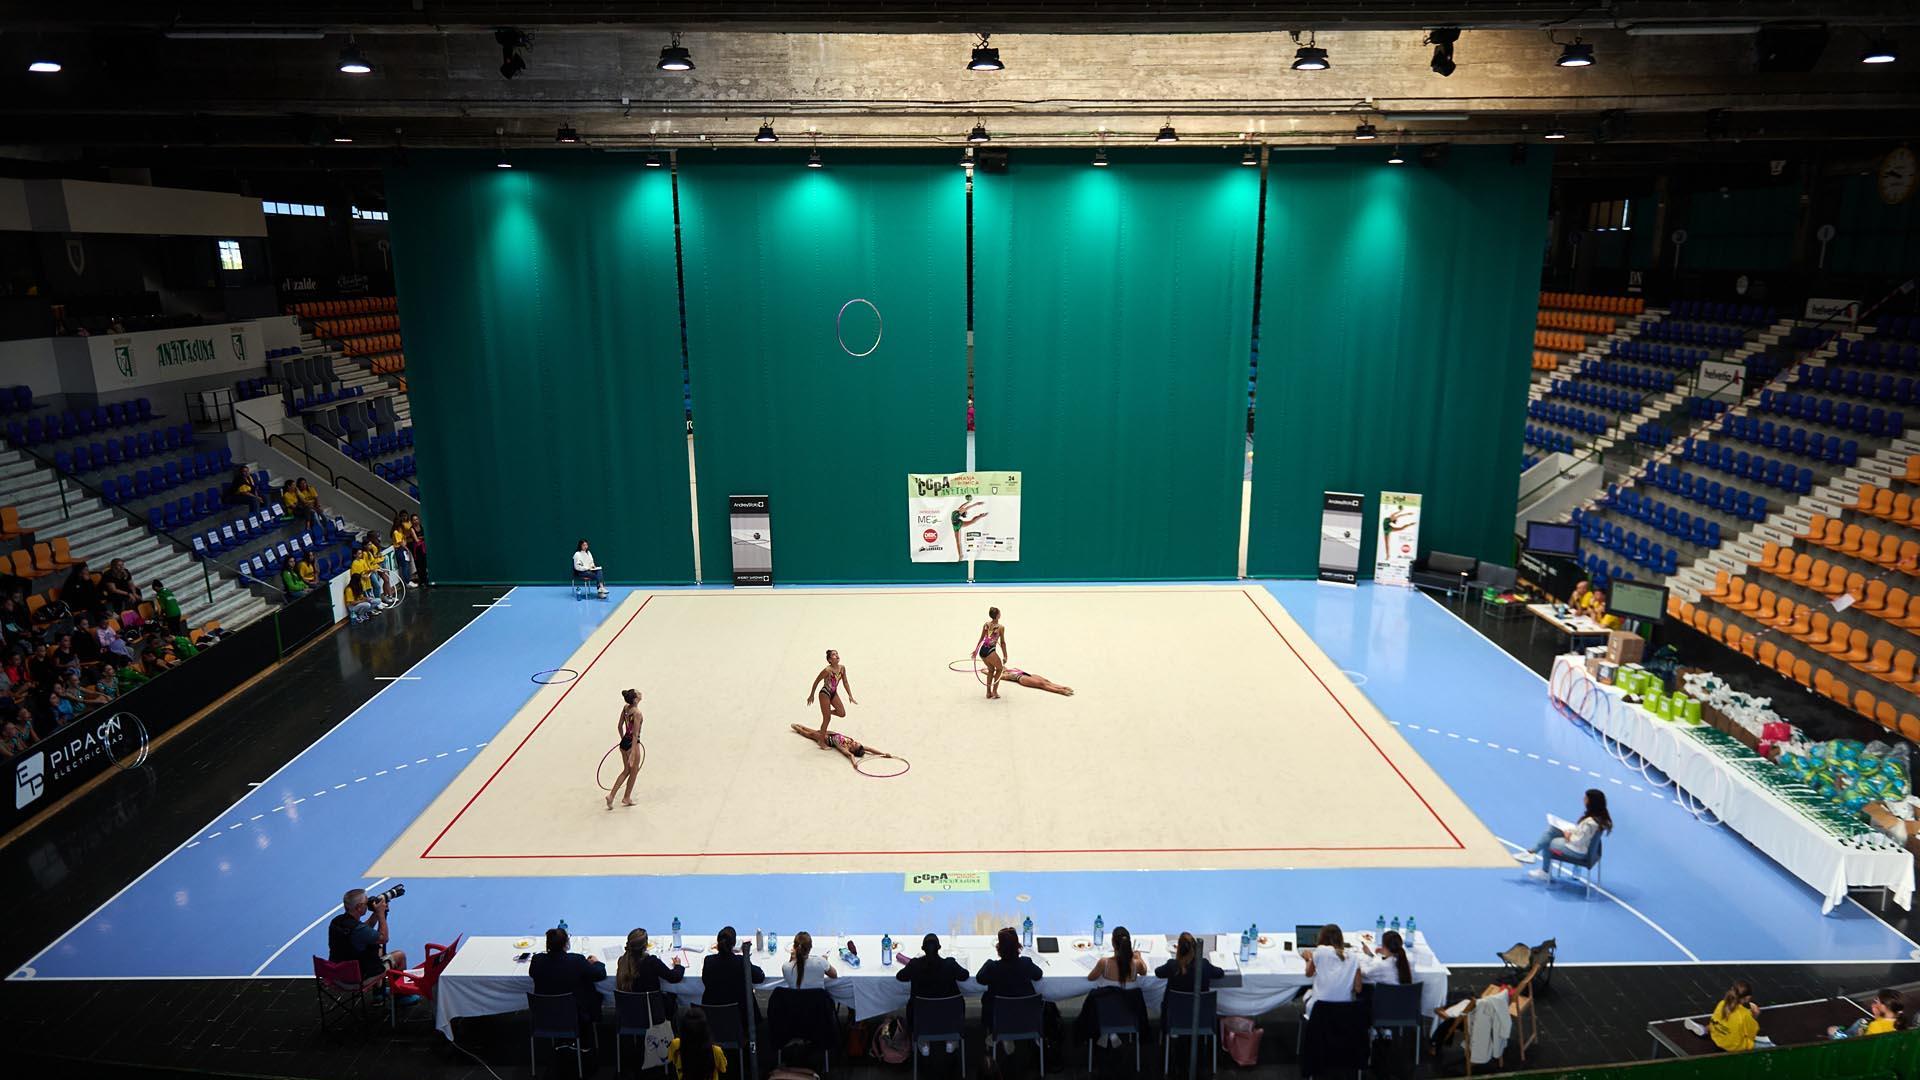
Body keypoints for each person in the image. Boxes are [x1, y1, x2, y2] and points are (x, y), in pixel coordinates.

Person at [1299, 925, 1365, 1078]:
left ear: (1321, 938)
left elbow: (1308, 973)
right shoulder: (1354, 958)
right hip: (1346, 1014)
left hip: (1318, 1013)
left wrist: (1309, 958)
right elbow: (1359, 988)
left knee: (1306, 997)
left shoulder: (1319, 952)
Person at [327, 888, 415, 1001]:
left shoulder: (337, 921)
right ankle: (401, 995)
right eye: (366, 901)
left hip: (338, 975)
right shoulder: (359, 930)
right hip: (356, 979)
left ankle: (379, 993)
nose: (368, 903)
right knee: (399, 956)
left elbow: (364, 929)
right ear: (359, 907)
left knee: (376, 949)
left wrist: (375, 914)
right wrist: (381, 914)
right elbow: (383, 938)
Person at [1517, 788, 1613, 882]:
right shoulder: (1599, 818)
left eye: (1586, 798)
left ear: (1592, 802)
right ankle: (1532, 852)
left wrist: (1568, 836)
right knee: (1553, 830)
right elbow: (1584, 834)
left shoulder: (1590, 823)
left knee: (1548, 841)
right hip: (1583, 846)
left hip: (1577, 850)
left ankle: (1543, 870)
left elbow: (1578, 841)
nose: (1583, 800)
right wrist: (1568, 830)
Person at [896, 933, 968, 1052]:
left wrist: (912, 965)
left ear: (923, 949)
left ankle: (923, 1040)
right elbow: (964, 975)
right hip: (949, 1019)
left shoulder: (915, 965)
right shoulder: (949, 964)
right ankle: (950, 1039)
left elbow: (900, 976)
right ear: (939, 948)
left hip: (921, 1020)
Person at [530, 926, 607, 1034]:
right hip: (575, 1013)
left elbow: (533, 973)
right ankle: (586, 1041)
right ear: (566, 944)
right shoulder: (577, 961)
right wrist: (597, 963)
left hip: (545, 1012)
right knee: (594, 995)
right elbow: (600, 974)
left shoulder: (537, 960)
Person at [975, 926, 1043, 1031]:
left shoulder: (992, 966)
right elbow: (1038, 975)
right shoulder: (1026, 963)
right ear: (1018, 947)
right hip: (1025, 1016)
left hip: (998, 1017)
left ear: (999, 948)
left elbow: (980, 979)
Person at [700, 926, 765, 1032]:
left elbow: (705, 981)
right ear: (734, 944)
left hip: (714, 1020)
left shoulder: (708, 961)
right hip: (741, 1020)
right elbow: (760, 977)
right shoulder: (740, 962)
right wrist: (747, 960)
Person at [1154, 931, 1225, 1030]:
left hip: (1175, 1016)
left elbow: (1158, 972)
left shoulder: (1172, 966)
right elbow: (1220, 973)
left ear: (1178, 950)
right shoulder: (1204, 965)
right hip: (1200, 1016)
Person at [615, 927, 686, 1022]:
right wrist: (678, 966)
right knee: (671, 996)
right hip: (653, 1013)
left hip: (630, 1014)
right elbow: (674, 977)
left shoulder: (622, 961)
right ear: (646, 945)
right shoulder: (651, 962)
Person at [789, 722, 901, 771]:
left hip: (827, 739)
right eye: (856, 742)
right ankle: (802, 726)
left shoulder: (846, 749)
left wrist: (855, 763)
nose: (855, 742)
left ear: (853, 749)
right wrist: (883, 754)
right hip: (832, 733)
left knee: (811, 735)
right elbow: (870, 749)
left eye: (855, 745)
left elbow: (850, 755)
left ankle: (798, 730)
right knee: (814, 730)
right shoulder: (857, 745)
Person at [605, 688, 644, 810]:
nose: (640, 693)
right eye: (638, 693)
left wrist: (622, 739)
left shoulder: (626, 708)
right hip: (633, 744)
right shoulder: (637, 713)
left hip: (624, 743)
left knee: (626, 770)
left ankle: (611, 796)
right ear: (635, 699)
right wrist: (632, 752)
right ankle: (626, 797)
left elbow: (619, 726)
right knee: (634, 771)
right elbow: (635, 734)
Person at [669, 1008, 728, 1080]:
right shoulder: (716, 1051)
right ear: (705, 1029)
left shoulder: (675, 1045)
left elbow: (672, 1061)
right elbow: (723, 1069)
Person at [1828, 987, 1911, 1038]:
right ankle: (1846, 1032)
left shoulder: (1875, 1026)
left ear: (1884, 1007)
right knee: (1863, 1021)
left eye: (1876, 1001)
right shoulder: (1900, 1021)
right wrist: (1877, 1016)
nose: (1874, 1003)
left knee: (1832, 1030)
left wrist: (1860, 1034)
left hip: (1857, 1045)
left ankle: (1843, 1033)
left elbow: (1864, 1045)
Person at [805, 648, 855, 731]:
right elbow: (816, 681)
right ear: (829, 660)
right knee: (827, 719)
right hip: (825, 693)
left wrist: (850, 695)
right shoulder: (827, 670)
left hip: (833, 693)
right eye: (834, 655)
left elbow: (845, 682)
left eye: (837, 653)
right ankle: (821, 741)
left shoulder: (842, 668)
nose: (837, 655)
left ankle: (827, 711)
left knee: (842, 713)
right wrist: (811, 695)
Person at [1709, 980, 1761, 1051]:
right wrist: (1755, 1016)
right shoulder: (1745, 1015)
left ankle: (1705, 1030)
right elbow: (1751, 1035)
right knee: (1769, 1046)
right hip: (1734, 1047)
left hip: (1717, 1039)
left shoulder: (1721, 1004)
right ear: (1747, 998)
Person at [975, 606, 1007, 699]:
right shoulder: (1001, 627)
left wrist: (976, 650)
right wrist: (1005, 655)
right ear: (997, 616)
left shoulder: (986, 624)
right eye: (999, 613)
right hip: (990, 651)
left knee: (991, 670)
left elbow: (981, 639)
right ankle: (994, 692)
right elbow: (1003, 642)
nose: (1000, 614)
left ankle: (988, 693)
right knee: (1000, 669)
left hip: (982, 651)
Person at [1001, 667, 1074, 696]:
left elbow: (1003, 665)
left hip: (1028, 674)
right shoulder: (1002, 675)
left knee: (1046, 681)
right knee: (1041, 684)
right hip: (1021, 678)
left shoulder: (1012, 668)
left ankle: (1063, 687)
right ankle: (1060, 691)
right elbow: (997, 676)